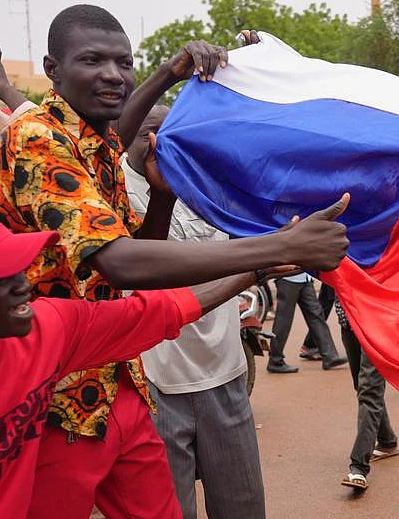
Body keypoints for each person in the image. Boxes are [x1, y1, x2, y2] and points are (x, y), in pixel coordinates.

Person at [0, 5, 350, 519]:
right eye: (92, 60)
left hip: (118, 382)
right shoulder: (37, 139)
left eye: (124, 62)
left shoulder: (92, 143)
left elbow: (135, 252)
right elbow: (118, 262)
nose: (113, 75)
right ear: (53, 69)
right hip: (52, 398)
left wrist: (161, 189)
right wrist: (280, 247)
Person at [0, 206, 262, 519]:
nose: (23, 283)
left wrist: (260, 266)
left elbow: (158, 312)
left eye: (19, 267)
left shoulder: (44, 332)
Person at [122, 105, 266, 519]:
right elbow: (146, 271)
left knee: (243, 507)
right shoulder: (111, 187)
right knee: (170, 510)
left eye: (172, 134)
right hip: (156, 383)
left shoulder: (205, 183)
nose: (159, 143)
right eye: (150, 132)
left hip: (226, 373)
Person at [338, 303, 399, 491]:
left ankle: (359, 466)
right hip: (348, 321)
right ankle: (388, 441)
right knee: (362, 386)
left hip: (376, 322)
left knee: (369, 390)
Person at [267, 274, 348, 373]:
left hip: (304, 278)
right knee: (284, 319)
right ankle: (275, 360)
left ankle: (330, 356)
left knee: (316, 315)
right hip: (288, 278)